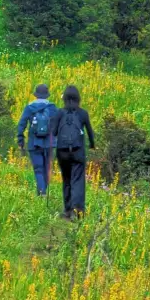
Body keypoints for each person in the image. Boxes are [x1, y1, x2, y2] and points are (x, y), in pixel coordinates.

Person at [53, 84, 95, 219]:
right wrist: (92, 145)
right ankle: (78, 211)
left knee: (66, 180)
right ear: (78, 98)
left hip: (62, 152)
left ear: (64, 98)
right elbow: (90, 132)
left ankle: (67, 210)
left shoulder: (59, 113)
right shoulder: (83, 113)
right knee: (77, 180)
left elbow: (53, 132)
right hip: (78, 152)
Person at [16, 83, 59, 195]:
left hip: (34, 143)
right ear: (46, 95)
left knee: (38, 169)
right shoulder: (52, 108)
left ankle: (41, 193)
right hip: (49, 143)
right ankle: (42, 192)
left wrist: (20, 140)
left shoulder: (30, 108)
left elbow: (21, 124)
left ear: (36, 95)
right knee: (46, 169)